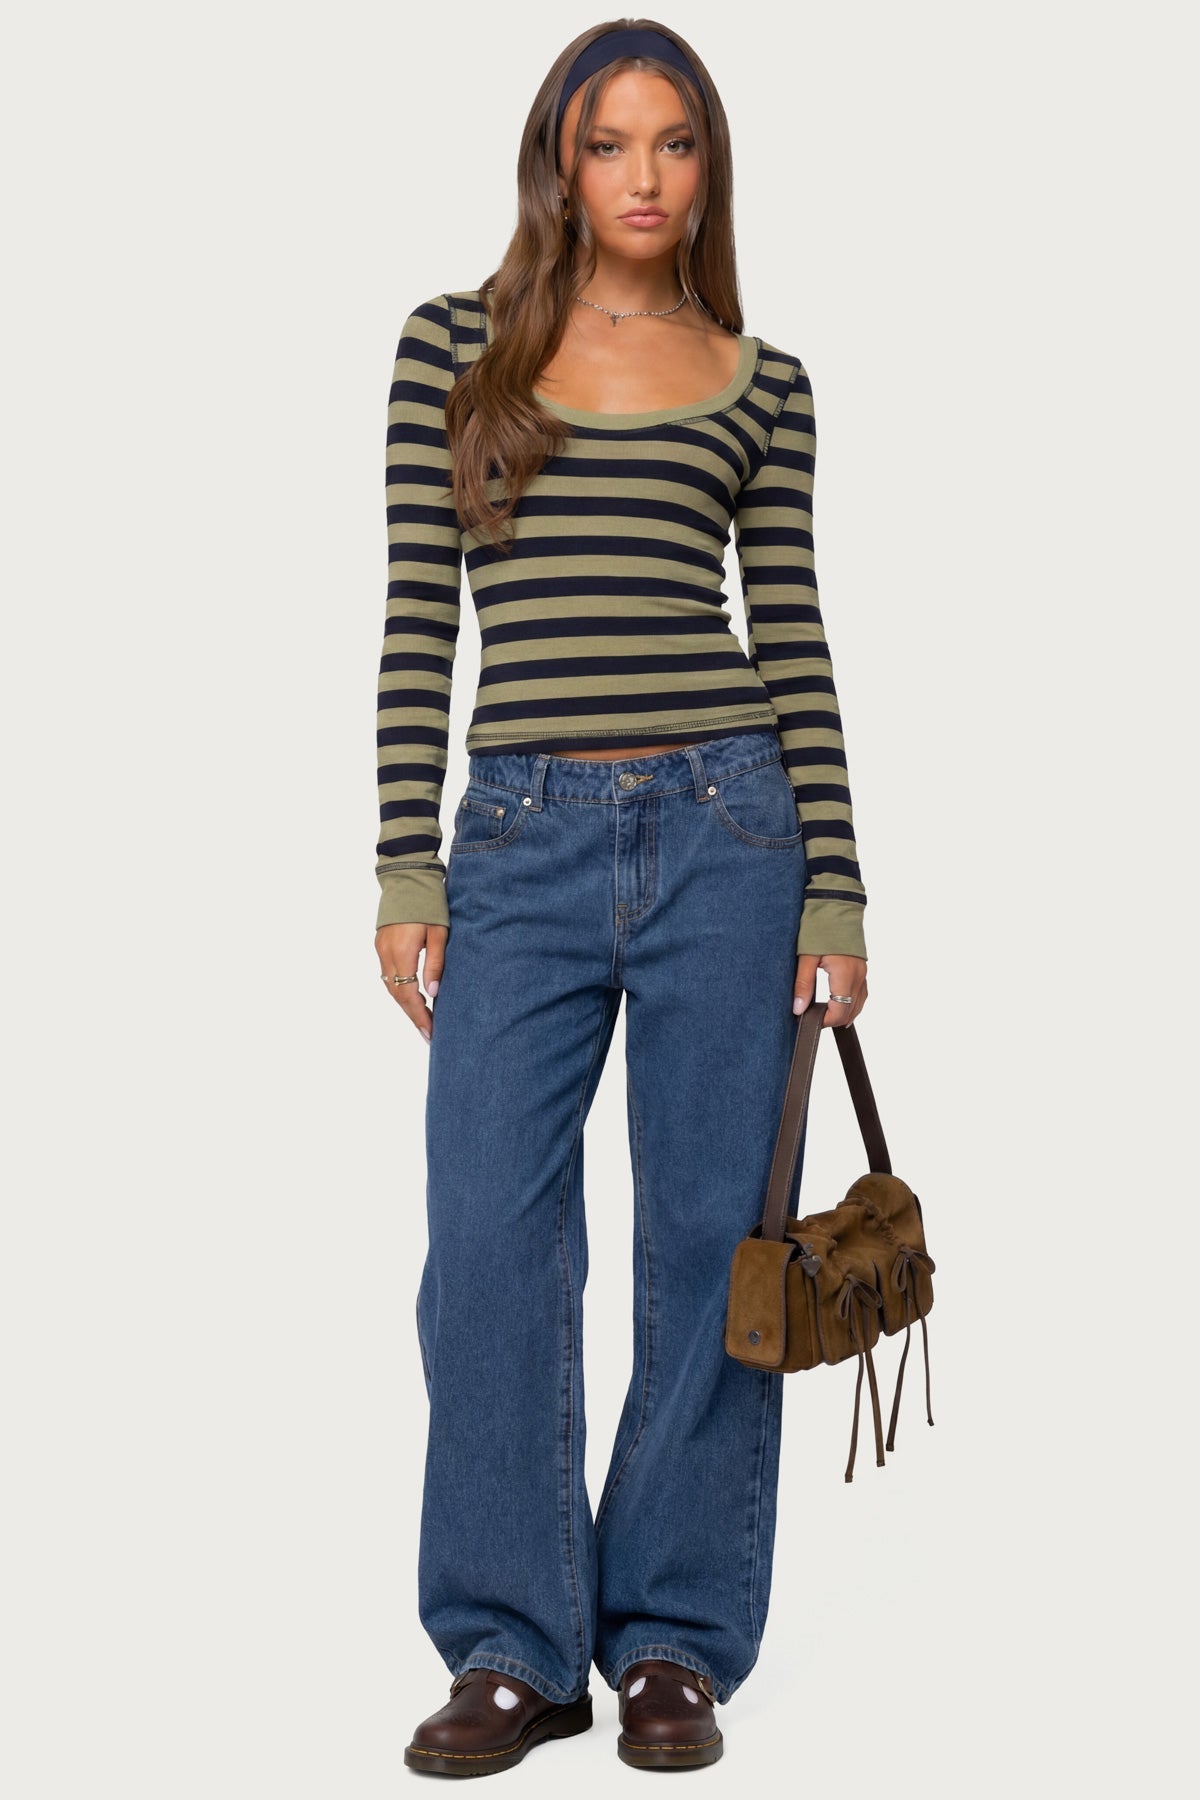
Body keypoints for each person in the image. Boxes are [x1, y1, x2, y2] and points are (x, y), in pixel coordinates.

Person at [373, 19, 870, 1777]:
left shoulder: (762, 380)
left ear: (709, 166)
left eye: (675, 144)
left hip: (732, 829)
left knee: (710, 1245)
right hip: (516, 841)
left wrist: (836, 895)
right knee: (490, 1245)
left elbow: (791, 635)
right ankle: (512, 1641)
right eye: (609, 144)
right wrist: (406, 859)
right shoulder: (455, 348)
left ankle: (672, 1640)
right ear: (560, 163)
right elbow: (419, 617)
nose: (643, 177)